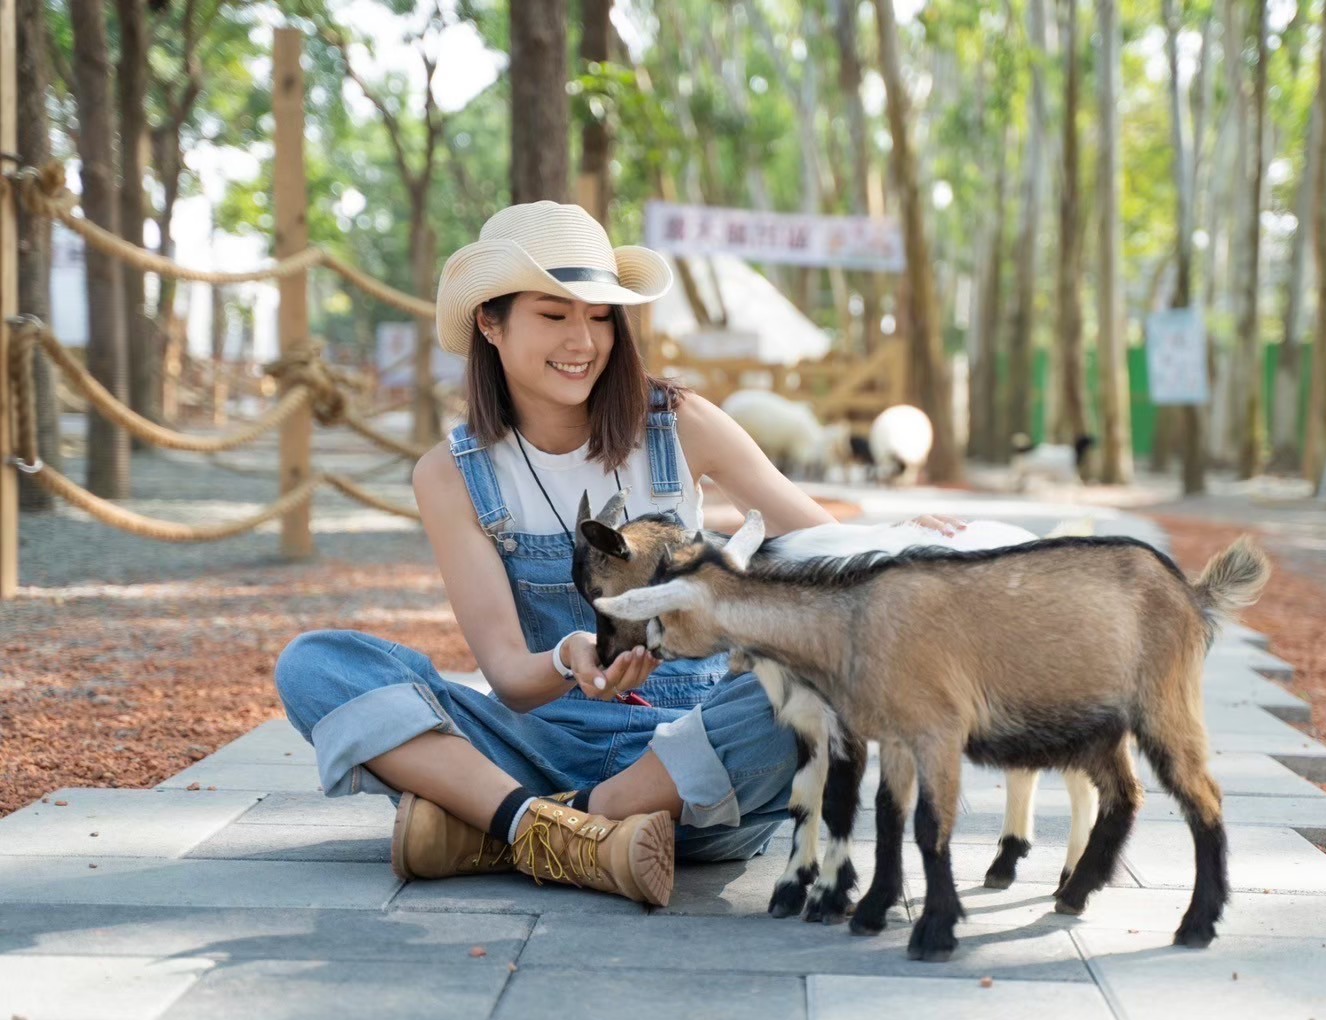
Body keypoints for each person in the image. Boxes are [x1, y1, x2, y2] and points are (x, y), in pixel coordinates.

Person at [273, 201, 960, 906]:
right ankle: (560, 832)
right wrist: (568, 657)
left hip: (698, 757)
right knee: (316, 665)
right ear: (490, 321)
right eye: (553, 314)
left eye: (601, 317)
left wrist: (900, 544)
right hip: (542, 746)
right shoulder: (451, 474)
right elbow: (509, 676)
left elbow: (824, 549)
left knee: (828, 660)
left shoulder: (680, 424)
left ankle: (517, 825)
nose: (583, 340)